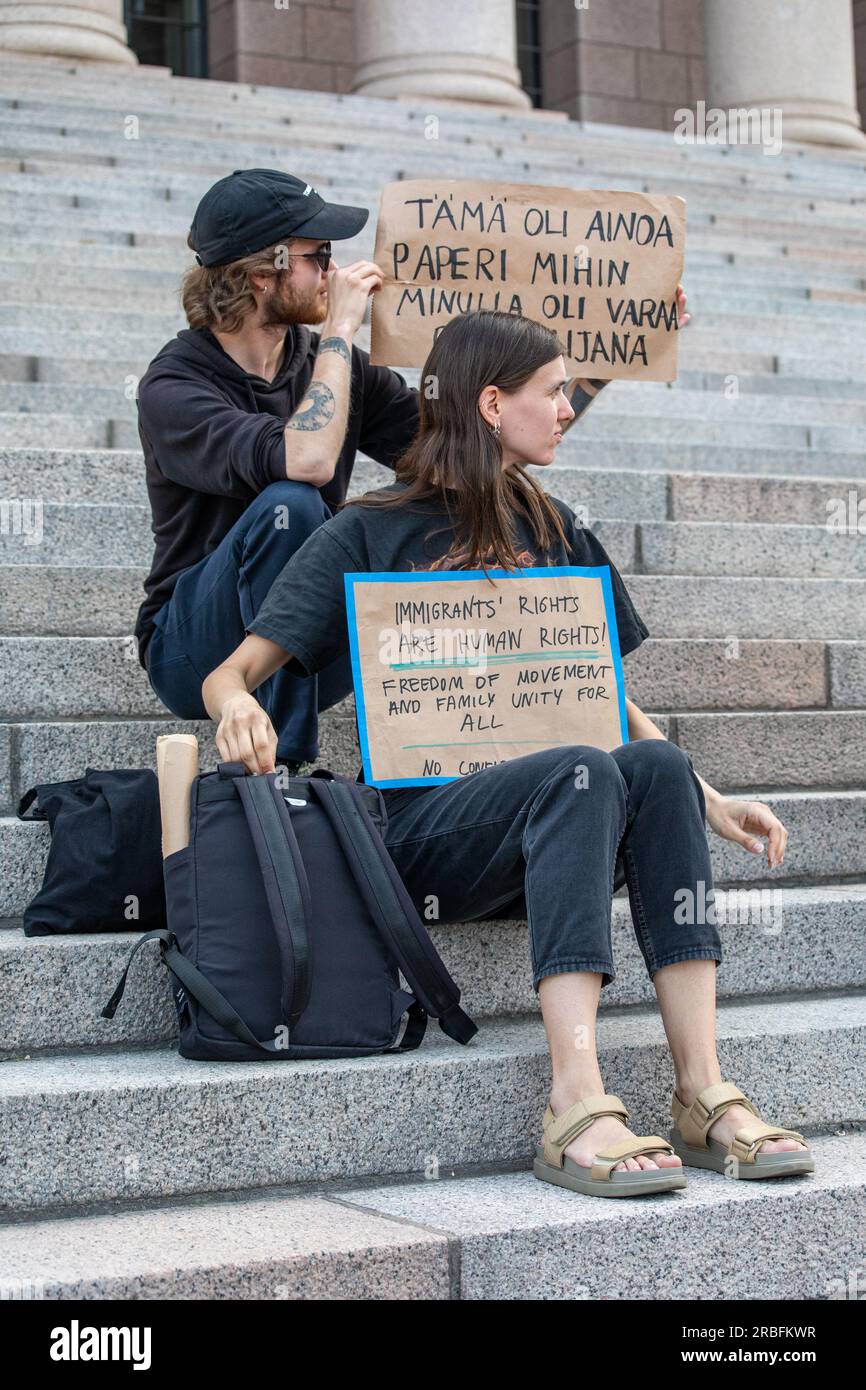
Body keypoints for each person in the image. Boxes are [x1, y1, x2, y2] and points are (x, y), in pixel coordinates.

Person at [200, 307, 814, 1198]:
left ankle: (702, 1092)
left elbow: (598, 692)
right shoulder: (370, 531)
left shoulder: (555, 525)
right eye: (554, 392)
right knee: (583, 767)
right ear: (492, 403)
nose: (567, 410)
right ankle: (574, 1100)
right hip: (424, 830)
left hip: (558, 807)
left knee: (652, 764)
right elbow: (231, 672)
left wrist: (708, 797)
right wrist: (235, 710)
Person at [134, 168, 619, 770]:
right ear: (262, 274)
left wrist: (602, 362)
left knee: (461, 495)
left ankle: (468, 761)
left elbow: (470, 439)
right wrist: (340, 329)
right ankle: (288, 768)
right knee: (293, 507)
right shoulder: (174, 386)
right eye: (320, 255)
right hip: (196, 650)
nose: (335, 273)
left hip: (305, 638)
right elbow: (307, 461)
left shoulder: (329, 364)